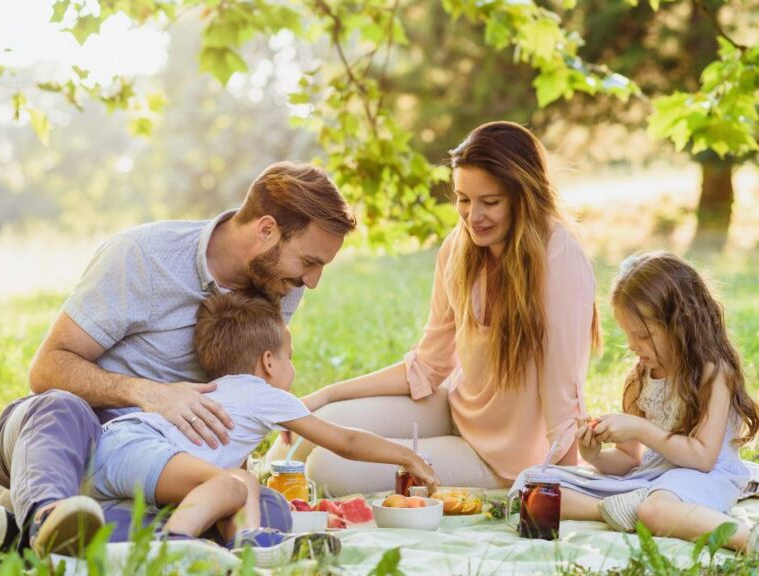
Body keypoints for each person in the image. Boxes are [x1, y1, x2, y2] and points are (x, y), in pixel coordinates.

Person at [0, 162, 357, 557]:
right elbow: (47, 370)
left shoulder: (280, 283)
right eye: (310, 262)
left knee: (266, 511)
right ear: (266, 230)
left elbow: (240, 391)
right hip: (70, 441)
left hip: (160, 464)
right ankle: (46, 515)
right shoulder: (142, 255)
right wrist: (150, 393)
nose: (312, 281)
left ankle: (41, 535)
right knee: (61, 406)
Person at [267, 121, 600, 494]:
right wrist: (326, 395)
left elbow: (562, 388)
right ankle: (248, 486)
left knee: (328, 469)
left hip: (505, 458)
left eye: (490, 202)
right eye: (463, 199)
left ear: (523, 197)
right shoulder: (458, 249)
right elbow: (428, 366)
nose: (473, 217)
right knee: (319, 423)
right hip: (455, 411)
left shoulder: (559, 256)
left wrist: (563, 487)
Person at [69, 291, 438, 563]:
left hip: (117, 451)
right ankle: (172, 547)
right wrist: (406, 456)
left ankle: (250, 545)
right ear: (268, 362)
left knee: (243, 483)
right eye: (289, 358)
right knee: (227, 484)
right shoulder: (263, 393)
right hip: (134, 447)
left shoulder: (228, 390)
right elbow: (346, 441)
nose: (292, 369)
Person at [511, 252, 759, 551]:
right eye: (628, 335)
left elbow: (702, 459)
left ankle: (747, 540)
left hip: (705, 478)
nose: (631, 345)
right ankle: (614, 508)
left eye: (642, 335)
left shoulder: (713, 374)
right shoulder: (639, 379)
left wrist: (640, 428)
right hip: (649, 480)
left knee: (655, 511)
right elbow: (629, 460)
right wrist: (594, 455)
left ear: (681, 325)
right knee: (532, 484)